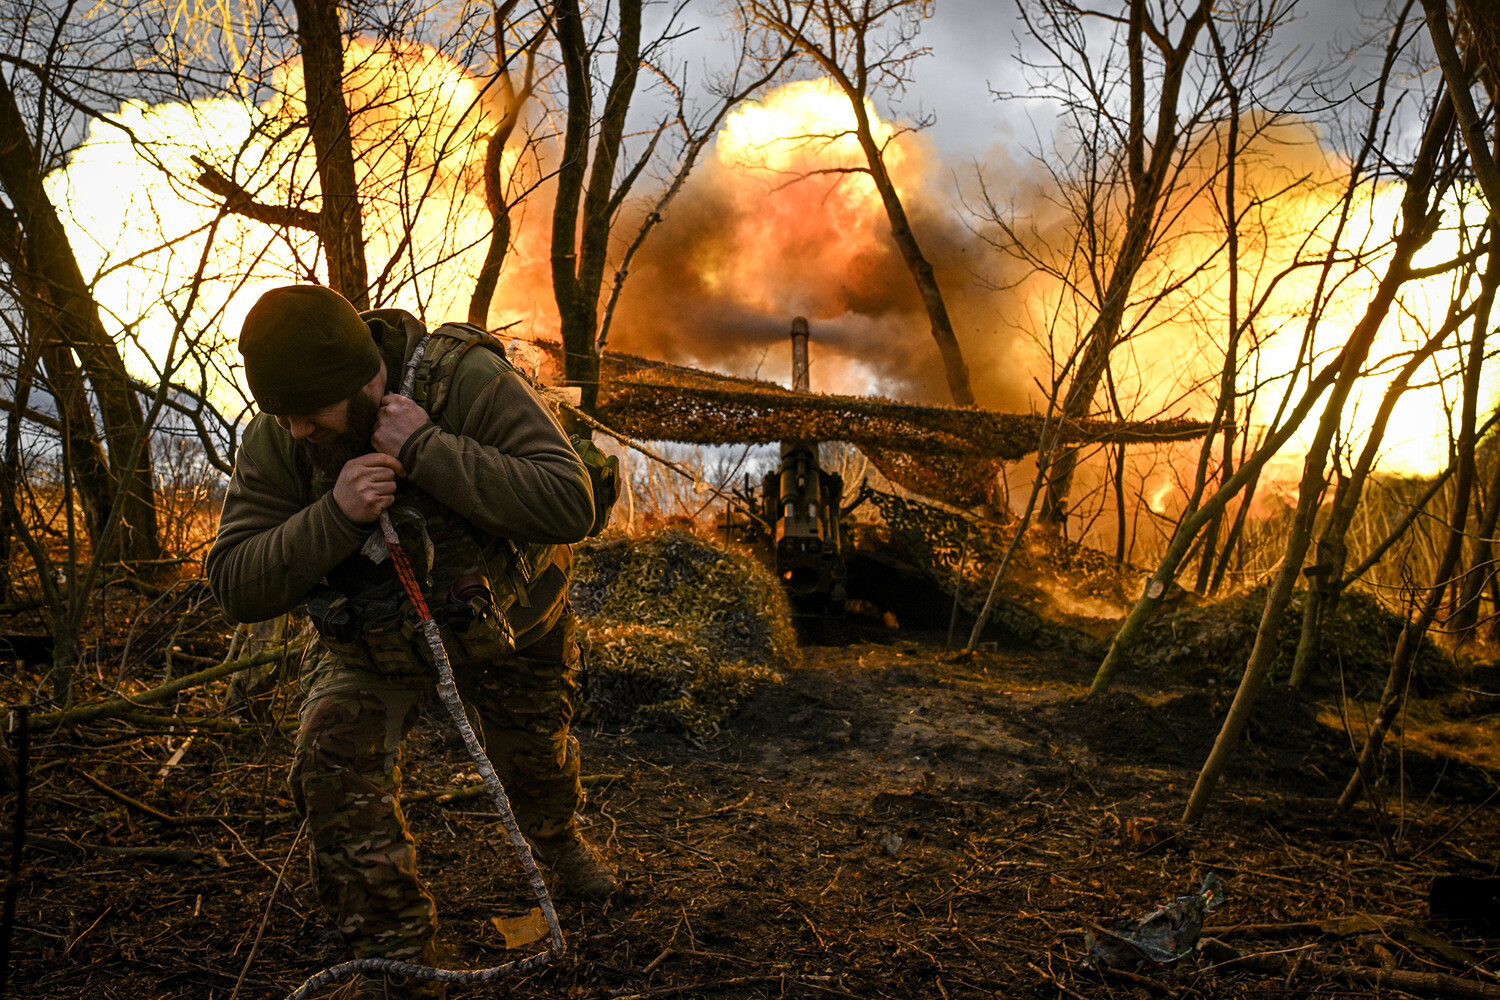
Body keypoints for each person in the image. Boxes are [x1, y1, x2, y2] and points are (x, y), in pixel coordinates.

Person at [206, 284, 616, 999]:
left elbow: (568, 501)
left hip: (511, 620)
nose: (298, 431)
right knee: (329, 762)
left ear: (366, 382)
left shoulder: (467, 381)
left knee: (537, 755)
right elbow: (236, 582)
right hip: (372, 641)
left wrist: (426, 448)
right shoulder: (283, 435)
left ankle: (555, 838)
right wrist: (334, 515)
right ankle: (398, 961)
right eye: (286, 416)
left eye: (311, 414)